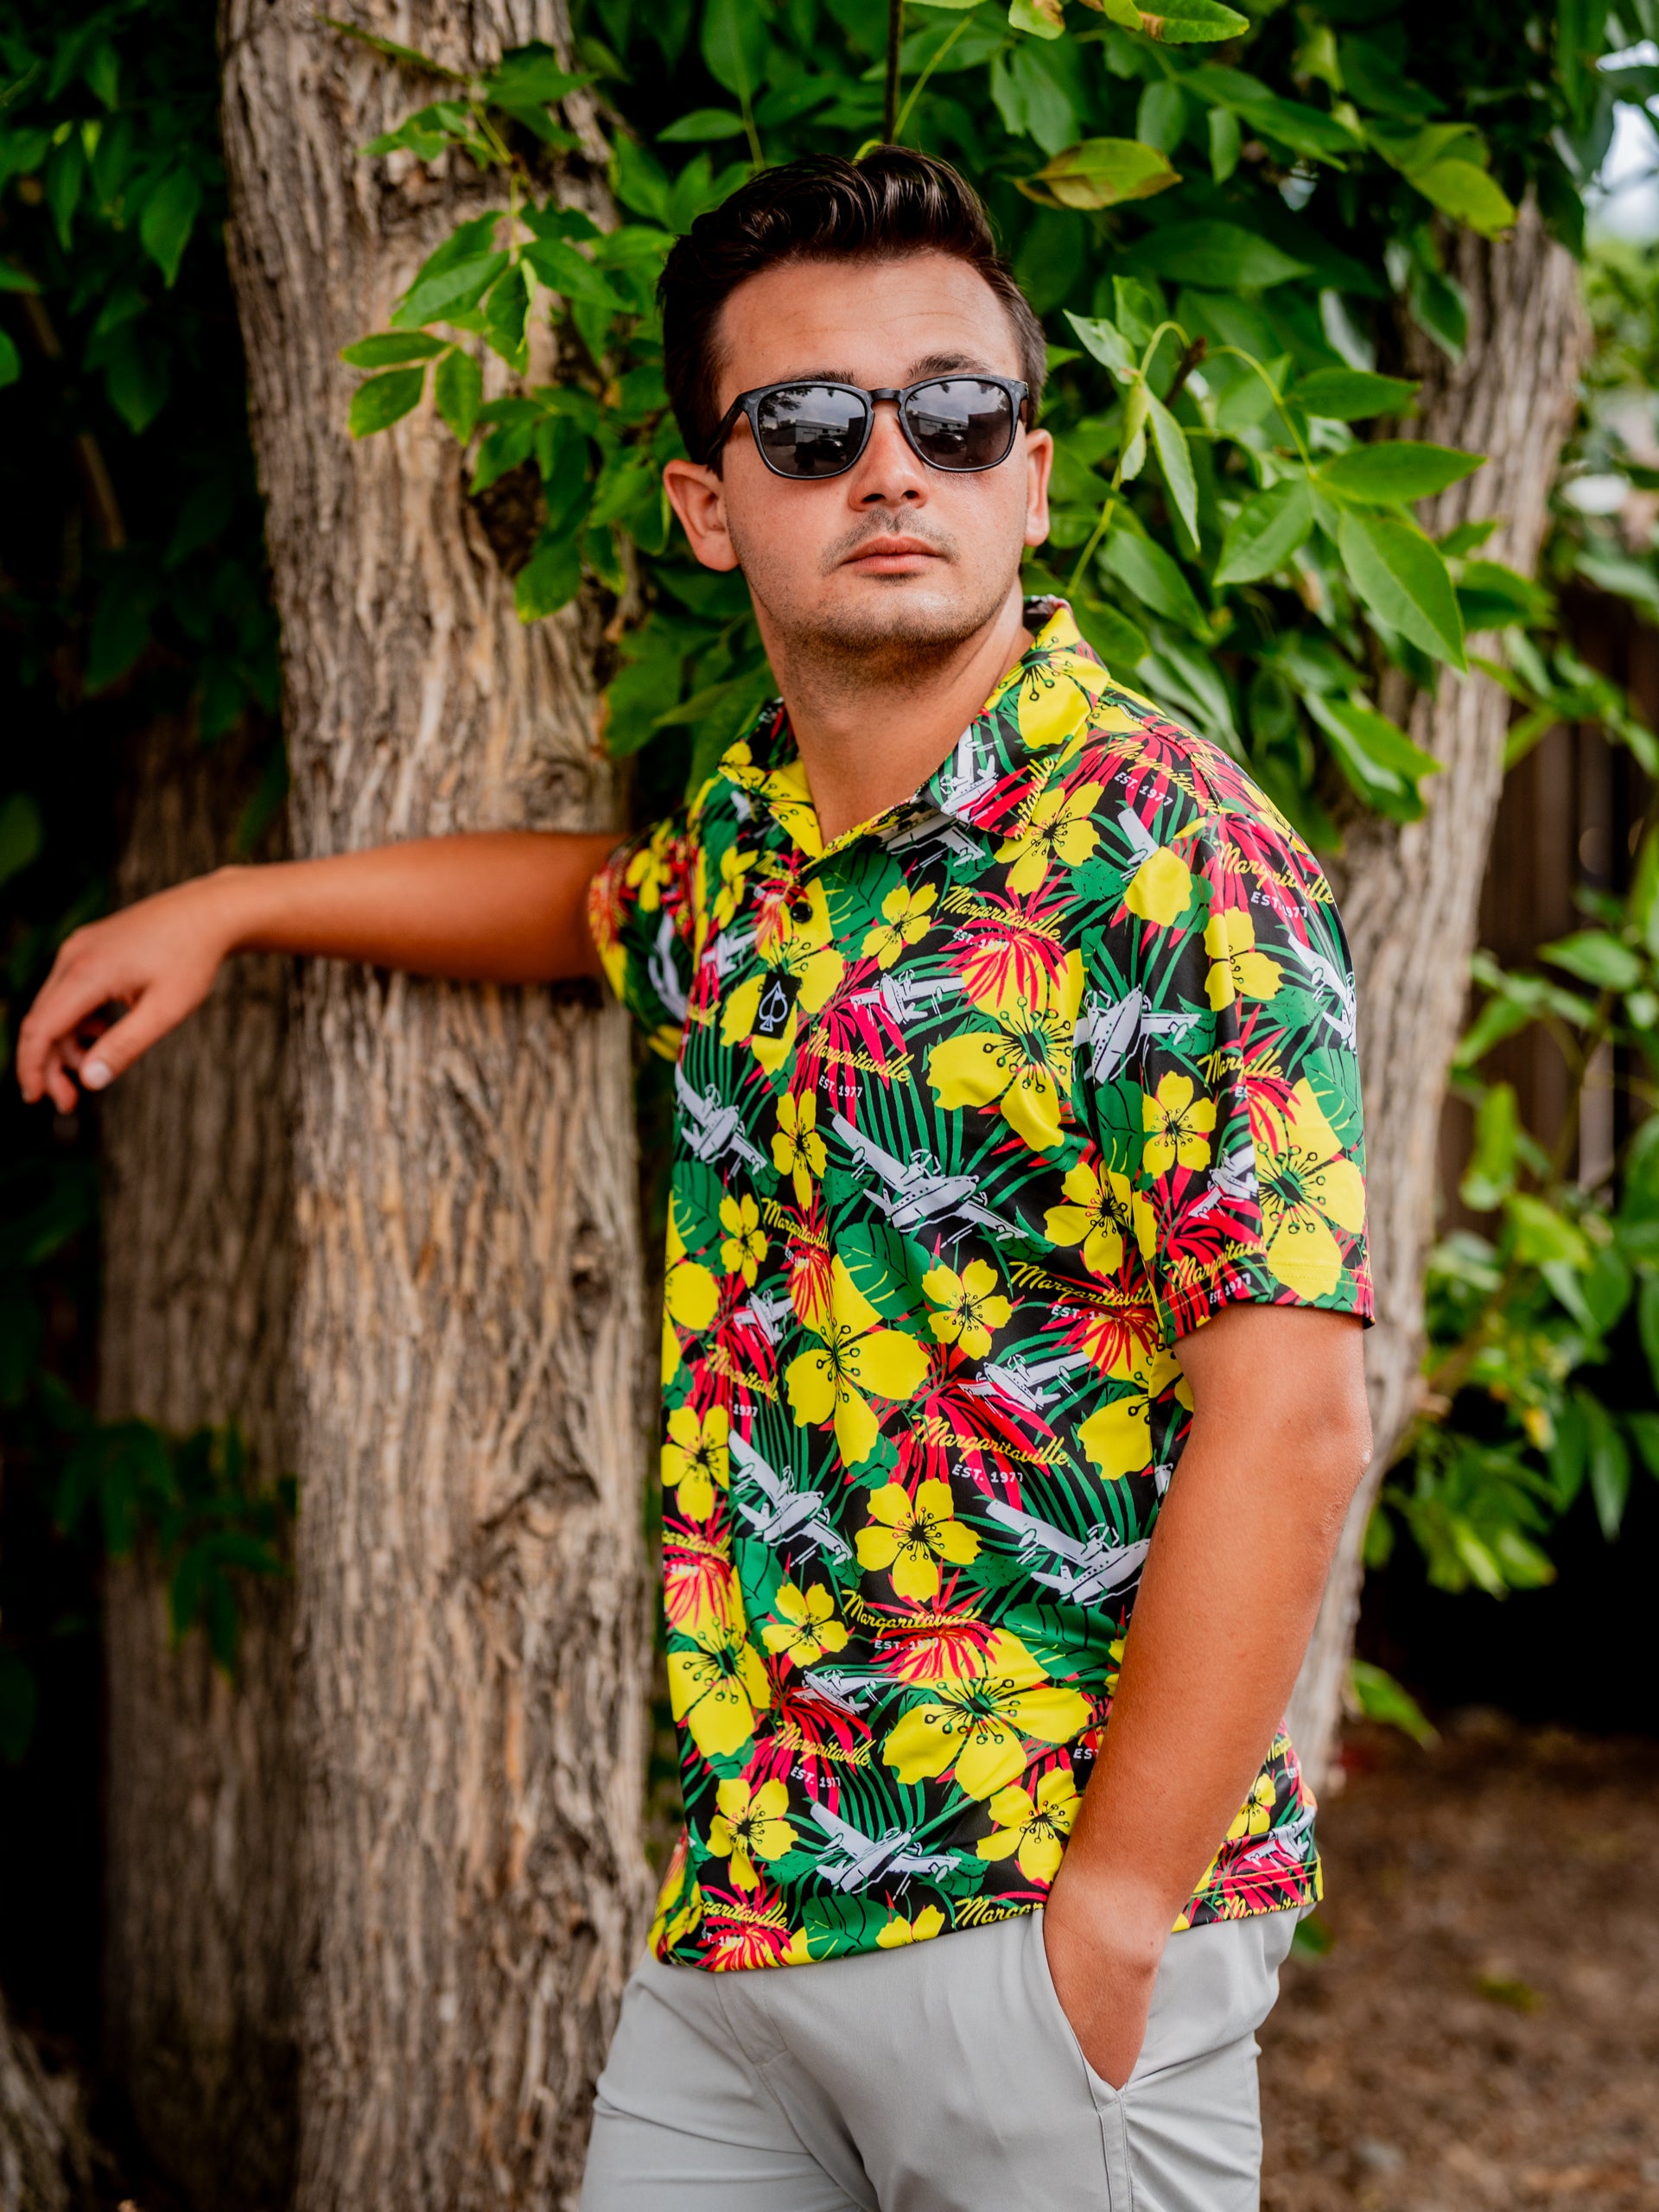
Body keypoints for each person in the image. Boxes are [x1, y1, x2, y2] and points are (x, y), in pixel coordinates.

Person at [19, 149, 1373, 2210]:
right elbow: (590, 901)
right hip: (746, 1917)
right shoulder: (760, 857)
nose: (891, 466)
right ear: (709, 502)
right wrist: (235, 901)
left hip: (1035, 1921)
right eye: (814, 427)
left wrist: (1107, 1925)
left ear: (1030, 474)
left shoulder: (1170, 857)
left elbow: (1290, 1416)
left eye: (958, 414)